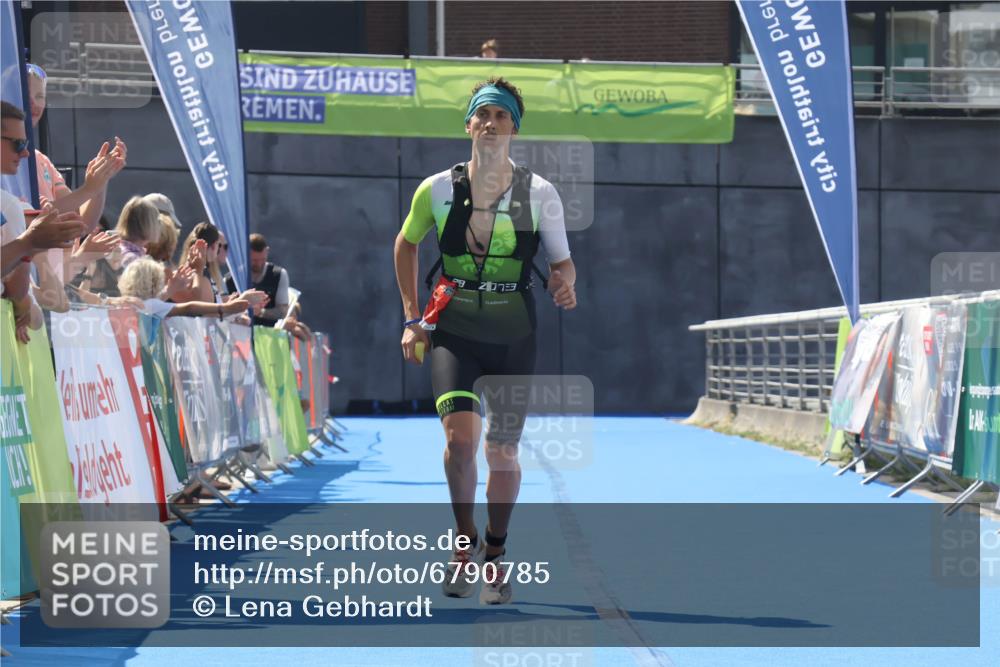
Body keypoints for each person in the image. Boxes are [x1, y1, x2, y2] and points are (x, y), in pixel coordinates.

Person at [393, 77, 577, 605]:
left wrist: (565, 284)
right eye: (483, 114)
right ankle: (463, 543)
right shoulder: (436, 189)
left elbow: (563, 263)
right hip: (454, 331)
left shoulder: (540, 194)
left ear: (514, 128)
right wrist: (412, 318)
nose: (491, 123)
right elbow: (405, 245)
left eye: (501, 116)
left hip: (514, 334)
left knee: (501, 451)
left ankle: (494, 552)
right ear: (468, 125)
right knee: (459, 442)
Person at [226, 233, 290, 326]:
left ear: (267, 251)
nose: (259, 264)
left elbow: (283, 311)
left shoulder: (279, 275)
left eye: (262, 259)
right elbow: (224, 311)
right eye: (254, 260)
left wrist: (261, 312)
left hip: (267, 332)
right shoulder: (231, 279)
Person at [115, 196, 161, 268]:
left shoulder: (120, 250)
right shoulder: (133, 260)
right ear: (146, 224)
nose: (160, 225)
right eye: (157, 221)